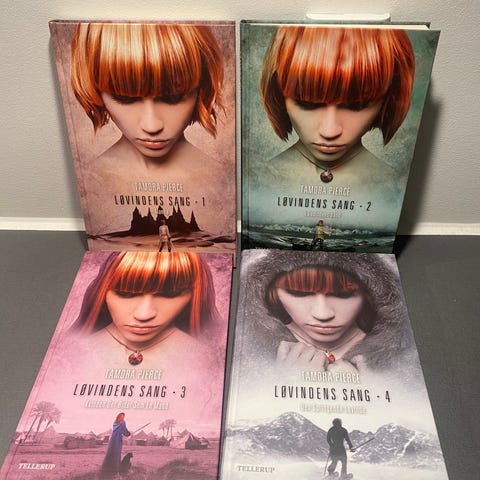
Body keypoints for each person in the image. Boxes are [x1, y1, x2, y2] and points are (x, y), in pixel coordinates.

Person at [68, 23, 235, 247]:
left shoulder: (223, 180)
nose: (152, 125)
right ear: (94, 90)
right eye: (125, 97)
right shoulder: (92, 180)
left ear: (201, 88)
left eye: (173, 96)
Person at [245, 26, 416, 245]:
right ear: (278, 95)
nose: (329, 131)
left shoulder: (393, 188)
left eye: (357, 105)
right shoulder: (256, 183)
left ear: (389, 99)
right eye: (307, 103)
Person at [241, 250, 417, 376]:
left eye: (343, 294)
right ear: (272, 294)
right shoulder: (245, 350)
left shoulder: (408, 359)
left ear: (371, 295)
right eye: (299, 293)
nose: (323, 314)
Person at [71, 251, 221, 367]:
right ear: (102, 293)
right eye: (126, 294)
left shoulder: (208, 360)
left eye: (169, 294)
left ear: (194, 296)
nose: (144, 315)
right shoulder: (72, 352)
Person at [101, 412, 131, 477]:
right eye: (121, 416)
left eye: (123, 417)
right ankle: (113, 468)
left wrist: (127, 433)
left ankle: (111, 467)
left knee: (114, 452)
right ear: (118, 416)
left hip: (115, 438)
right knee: (114, 452)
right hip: (116, 438)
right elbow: (123, 430)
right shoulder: (120, 422)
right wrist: (128, 433)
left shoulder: (117, 422)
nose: (122, 418)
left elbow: (122, 430)